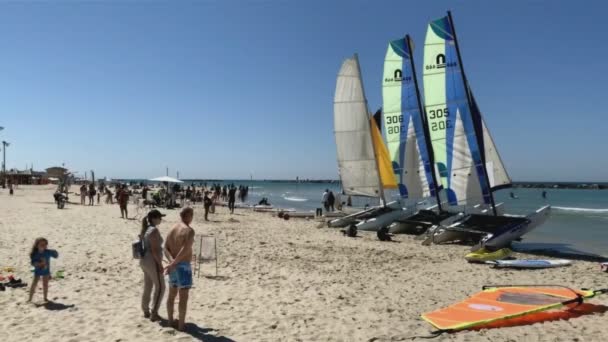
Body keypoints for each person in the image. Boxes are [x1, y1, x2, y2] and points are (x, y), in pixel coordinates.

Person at [164, 208, 195, 331]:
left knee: (171, 295)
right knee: (183, 297)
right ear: (188, 215)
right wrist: (174, 263)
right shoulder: (189, 230)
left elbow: (165, 248)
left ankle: (171, 321)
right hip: (183, 266)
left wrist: (171, 262)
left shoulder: (172, 229)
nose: (192, 218)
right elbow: (186, 249)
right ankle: (181, 325)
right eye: (192, 215)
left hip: (173, 266)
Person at [139, 210, 166, 321]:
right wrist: (160, 264)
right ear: (154, 218)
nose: (161, 219)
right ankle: (154, 312)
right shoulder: (153, 230)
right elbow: (155, 250)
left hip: (144, 260)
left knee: (148, 286)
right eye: (159, 217)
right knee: (160, 287)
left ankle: (146, 310)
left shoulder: (146, 229)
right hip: (152, 261)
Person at [28, 237, 58, 302]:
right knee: (34, 284)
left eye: (45, 244)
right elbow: (33, 263)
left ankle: (45, 298)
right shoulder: (35, 254)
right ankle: (30, 298)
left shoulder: (48, 252)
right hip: (37, 271)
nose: (43, 246)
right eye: (41, 245)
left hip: (46, 271)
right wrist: (38, 263)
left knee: (45, 284)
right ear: (37, 245)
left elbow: (56, 256)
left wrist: (55, 252)